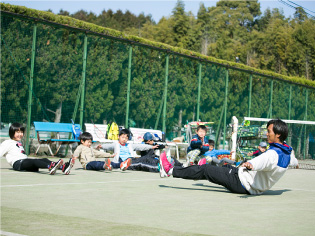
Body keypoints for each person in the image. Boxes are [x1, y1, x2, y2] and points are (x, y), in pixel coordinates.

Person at [159, 119, 299, 195]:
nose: (267, 134)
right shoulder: (286, 152)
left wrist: (251, 164)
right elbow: (293, 161)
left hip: (241, 183)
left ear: (278, 134)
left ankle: (170, 170)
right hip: (245, 182)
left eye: (269, 131)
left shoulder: (272, 154)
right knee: (222, 167)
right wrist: (296, 163)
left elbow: (262, 160)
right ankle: (183, 167)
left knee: (207, 169)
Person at [0, 122, 74, 175]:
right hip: (18, 163)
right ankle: (51, 166)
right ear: (11, 132)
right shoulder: (7, 142)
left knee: (44, 159)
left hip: (25, 162)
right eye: (17, 132)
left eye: (21, 132)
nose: (20, 134)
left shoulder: (18, 142)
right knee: (34, 161)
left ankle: (63, 167)